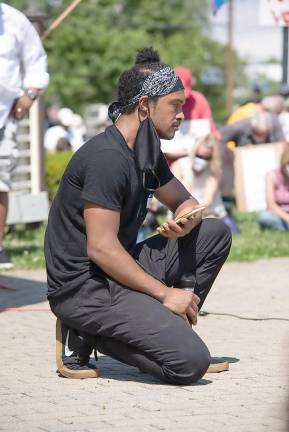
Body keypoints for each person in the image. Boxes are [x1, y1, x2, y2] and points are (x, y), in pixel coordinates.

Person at [45, 47, 232, 385]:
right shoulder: (106, 158)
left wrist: (185, 217)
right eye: (175, 105)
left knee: (213, 233)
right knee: (190, 364)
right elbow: (100, 249)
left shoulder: (147, 150)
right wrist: (164, 294)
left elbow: (184, 200)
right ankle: (84, 331)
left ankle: (167, 329)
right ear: (145, 106)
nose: (182, 115)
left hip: (115, 269)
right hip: (84, 287)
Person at [0, 2, 49, 269]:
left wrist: (29, 95)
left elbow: (36, 62)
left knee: (0, 184)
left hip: (4, 115)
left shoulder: (14, 21)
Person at [171, 134, 240, 234]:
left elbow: (208, 201)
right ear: (194, 151)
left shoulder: (215, 170)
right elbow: (175, 194)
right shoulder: (179, 165)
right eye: (199, 156)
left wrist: (193, 212)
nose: (201, 160)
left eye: (206, 158)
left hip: (210, 212)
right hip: (183, 211)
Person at [258, 145, 289, 231]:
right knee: (264, 218)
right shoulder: (272, 175)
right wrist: (287, 217)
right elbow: (271, 205)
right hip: (279, 214)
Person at [220, 110, 285, 148]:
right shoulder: (240, 127)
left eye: (264, 133)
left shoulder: (275, 125)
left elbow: (283, 146)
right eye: (259, 134)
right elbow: (219, 138)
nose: (262, 136)